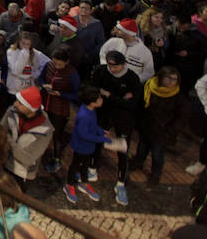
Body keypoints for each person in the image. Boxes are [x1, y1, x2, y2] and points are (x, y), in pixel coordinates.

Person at [90, 50, 142, 206]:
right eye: (110, 66)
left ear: (123, 64)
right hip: (103, 113)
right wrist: (118, 98)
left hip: (123, 118)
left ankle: (121, 182)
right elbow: (94, 89)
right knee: (98, 140)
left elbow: (131, 104)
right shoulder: (101, 71)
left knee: (122, 149)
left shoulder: (132, 78)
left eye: (116, 66)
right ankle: (92, 167)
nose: (113, 70)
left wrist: (109, 96)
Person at [132, 66, 186, 185]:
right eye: (169, 78)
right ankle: (138, 163)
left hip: (162, 131)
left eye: (174, 79)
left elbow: (182, 116)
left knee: (157, 154)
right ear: (161, 77)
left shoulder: (177, 96)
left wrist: (171, 129)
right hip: (146, 126)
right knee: (142, 148)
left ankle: (156, 174)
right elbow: (140, 105)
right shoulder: (148, 87)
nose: (171, 82)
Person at [0, 85, 54, 193]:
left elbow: (27, 158)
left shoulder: (46, 130)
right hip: (2, 163)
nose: (15, 104)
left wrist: (8, 140)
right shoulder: (12, 111)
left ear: (30, 109)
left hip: (21, 174)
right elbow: (0, 131)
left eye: (20, 103)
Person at [63, 85, 111, 204]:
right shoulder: (84, 115)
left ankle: (84, 183)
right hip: (81, 145)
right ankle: (69, 185)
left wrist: (101, 131)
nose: (101, 100)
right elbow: (84, 134)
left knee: (85, 165)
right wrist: (101, 138)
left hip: (88, 146)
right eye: (99, 99)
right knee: (75, 165)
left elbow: (93, 126)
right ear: (92, 102)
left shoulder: (90, 110)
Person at [40, 47, 81, 174]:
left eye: (60, 64)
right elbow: (41, 78)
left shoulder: (72, 74)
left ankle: (56, 158)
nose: (57, 66)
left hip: (59, 109)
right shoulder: (48, 66)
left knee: (57, 135)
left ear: (66, 62)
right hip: (45, 104)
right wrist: (43, 85)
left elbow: (77, 94)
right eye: (55, 63)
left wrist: (61, 94)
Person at [99, 18, 155, 84]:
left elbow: (149, 73)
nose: (116, 31)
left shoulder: (145, 52)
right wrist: (107, 69)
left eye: (119, 30)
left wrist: (133, 80)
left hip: (130, 86)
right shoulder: (112, 42)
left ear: (128, 33)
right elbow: (102, 54)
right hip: (109, 81)